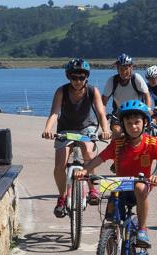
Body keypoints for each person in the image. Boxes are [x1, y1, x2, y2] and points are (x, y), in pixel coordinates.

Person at [75, 100, 157, 248]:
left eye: (137, 122)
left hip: (141, 185)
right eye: (129, 123)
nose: (133, 126)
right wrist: (85, 170)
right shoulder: (118, 143)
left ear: (145, 122)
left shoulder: (152, 142)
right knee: (110, 222)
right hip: (120, 184)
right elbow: (100, 158)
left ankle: (142, 229)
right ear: (123, 125)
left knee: (139, 187)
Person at [42, 58, 111, 218]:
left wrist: (106, 130)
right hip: (65, 128)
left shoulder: (93, 91)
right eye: (74, 77)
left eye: (81, 77)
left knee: (88, 152)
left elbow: (101, 113)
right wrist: (47, 129)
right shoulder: (61, 91)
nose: (78, 81)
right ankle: (62, 197)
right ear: (68, 77)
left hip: (87, 127)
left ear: (87, 77)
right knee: (60, 164)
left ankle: (92, 188)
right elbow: (54, 112)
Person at [102, 53, 151, 137]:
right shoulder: (112, 81)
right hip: (119, 113)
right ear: (117, 69)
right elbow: (103, 103)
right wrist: (103, 115)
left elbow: (147, 97)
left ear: (131, 68)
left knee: (139, 135)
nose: (123, 72)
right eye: (121, 69)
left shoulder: (136, 78)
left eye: (126, 68)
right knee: (117, 132)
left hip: (137, 111)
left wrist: (148, 111)